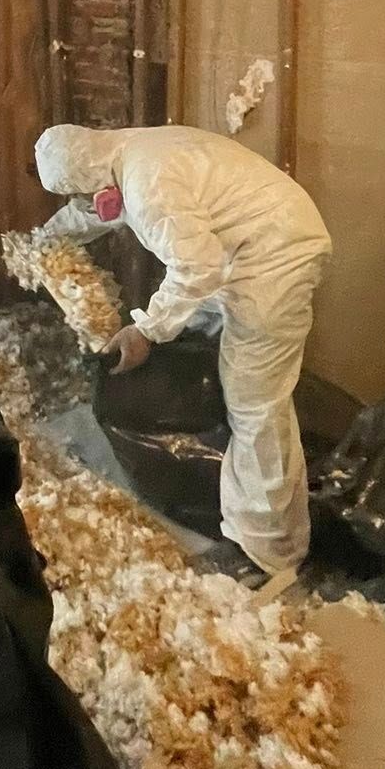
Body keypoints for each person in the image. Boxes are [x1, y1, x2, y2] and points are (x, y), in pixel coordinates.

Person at [34, 122, 332, 577]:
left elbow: (197, 267)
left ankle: (268, 550)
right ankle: (216, 464)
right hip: (248, 245)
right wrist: (42, 243)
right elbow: (94, 211)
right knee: (197, 329)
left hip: (275, 254)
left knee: (255, 399)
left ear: (85, 174)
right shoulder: (123, 150)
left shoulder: (144, 180)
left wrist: (146, 332)